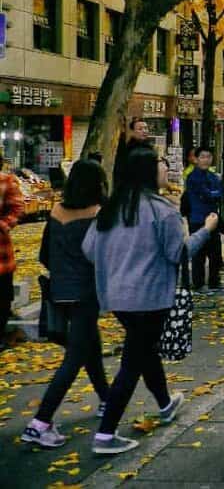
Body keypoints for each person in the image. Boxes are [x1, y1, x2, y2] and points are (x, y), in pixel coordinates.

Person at [82, 147, 218, 454]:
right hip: (151, 297)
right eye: (160, 165)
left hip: (116, 296)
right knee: (132, 361)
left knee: (143, 351)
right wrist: (207, 231)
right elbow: (179, 253)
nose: (166, 169)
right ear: (147, 172)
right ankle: (105, 434)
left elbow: (89, 249)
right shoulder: (162, 210)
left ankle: (166, 404)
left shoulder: (111, 208)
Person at [22, 160, 110, 448]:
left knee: (89, 346)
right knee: (75, 357)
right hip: (86, 292)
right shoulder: (98, 214)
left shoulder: (56, 212)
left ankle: (107, 400)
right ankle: (40, 422)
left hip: (60, 290)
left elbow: (44, 255)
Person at [184, 147, 224, 291]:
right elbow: (208, 194)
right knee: (198, 252)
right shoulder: (193, 177)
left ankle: (214, 280)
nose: (206, 160)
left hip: (213, 217)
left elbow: (220, 193)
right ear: (196, 159)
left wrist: (215, 193)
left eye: (208, 156)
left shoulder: (213, 177)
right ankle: (198, 282)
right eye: (202, 157)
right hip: (197, 218)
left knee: (215, 252)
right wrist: (215, 193)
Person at [0, 157, 25, 349]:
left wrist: (3, 225)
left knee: (2, 295)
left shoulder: (6, 181)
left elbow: (17, 208)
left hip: (1, 251)